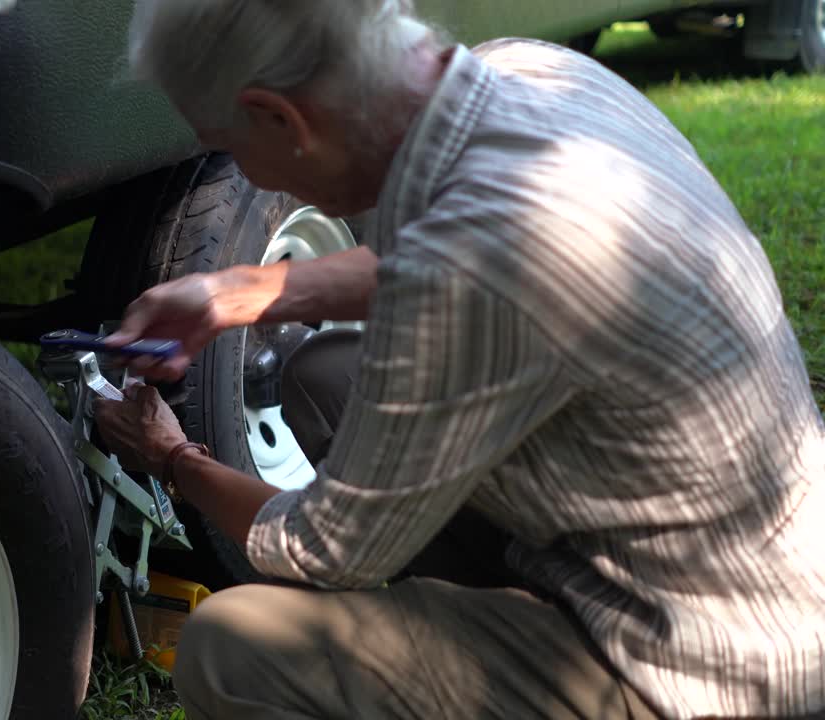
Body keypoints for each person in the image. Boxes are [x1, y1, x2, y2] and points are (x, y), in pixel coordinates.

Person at [93, 1, 825, 718]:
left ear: (282, 119)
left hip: (704, 665)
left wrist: (173, 458)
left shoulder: (491, 254)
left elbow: (323, 549)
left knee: (233, 649)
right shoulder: (531, 73)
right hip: (733, 567)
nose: (249, 171)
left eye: (226, 140)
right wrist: (237, 290)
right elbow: (444, 265)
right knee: (324, 382)